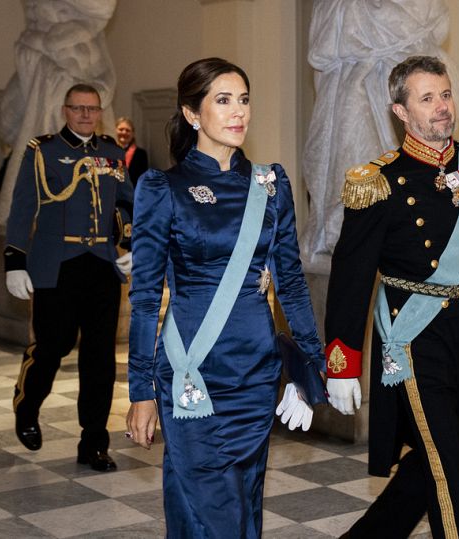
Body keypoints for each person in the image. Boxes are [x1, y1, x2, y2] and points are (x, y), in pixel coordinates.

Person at [325, 55, 459, 538]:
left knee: (444, 453)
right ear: (401, 111)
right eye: (427, 98)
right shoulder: (380, 182)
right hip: (412, 337)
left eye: (446, 94)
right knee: (446, 469)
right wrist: (342, 361)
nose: (442, 107)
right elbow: (351, 277)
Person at [125, 57, 324, 538]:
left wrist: (308, 368)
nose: (239, 112)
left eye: (244, 99)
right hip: (194, 373)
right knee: (219, 514)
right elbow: (146, 296)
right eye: (223, 100)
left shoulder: (270, 186)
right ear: (192, 114)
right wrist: (141, 390)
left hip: (256, 376)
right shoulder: (162, 187)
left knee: (241, 502)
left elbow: (292, 283)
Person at [5, 83, 134, 472]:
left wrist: (129, 243)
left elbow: (126, 201)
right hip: (57, 263)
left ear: (100, 112)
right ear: (65, 110)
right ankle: (26, 404)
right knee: (52, 346)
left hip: (100, 264)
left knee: (99, 358)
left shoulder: (112, 153)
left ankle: (93, 442)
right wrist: (15, 260)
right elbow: (23, 206)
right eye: (78, 108)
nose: (85, 115)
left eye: (92, 109)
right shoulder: (42, 151)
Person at [115, 117, 149, 182]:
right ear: (116, 130)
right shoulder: (109, 151)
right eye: (121, 129)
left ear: (133, 134)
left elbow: (142, 179)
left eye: (127, 130)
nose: (124, 132)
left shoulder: (140, 154)